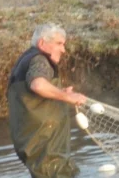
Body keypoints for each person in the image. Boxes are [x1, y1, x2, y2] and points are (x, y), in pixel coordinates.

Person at [8, 24, 87, 178]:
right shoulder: (40, 60)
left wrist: (60, 93)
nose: (63, 50)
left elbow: (36, 92)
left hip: (37, 145)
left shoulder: (27, 59)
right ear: (42, 43)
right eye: (59, 44)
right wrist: (68, 97)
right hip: (45, 147)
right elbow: (38, 85)